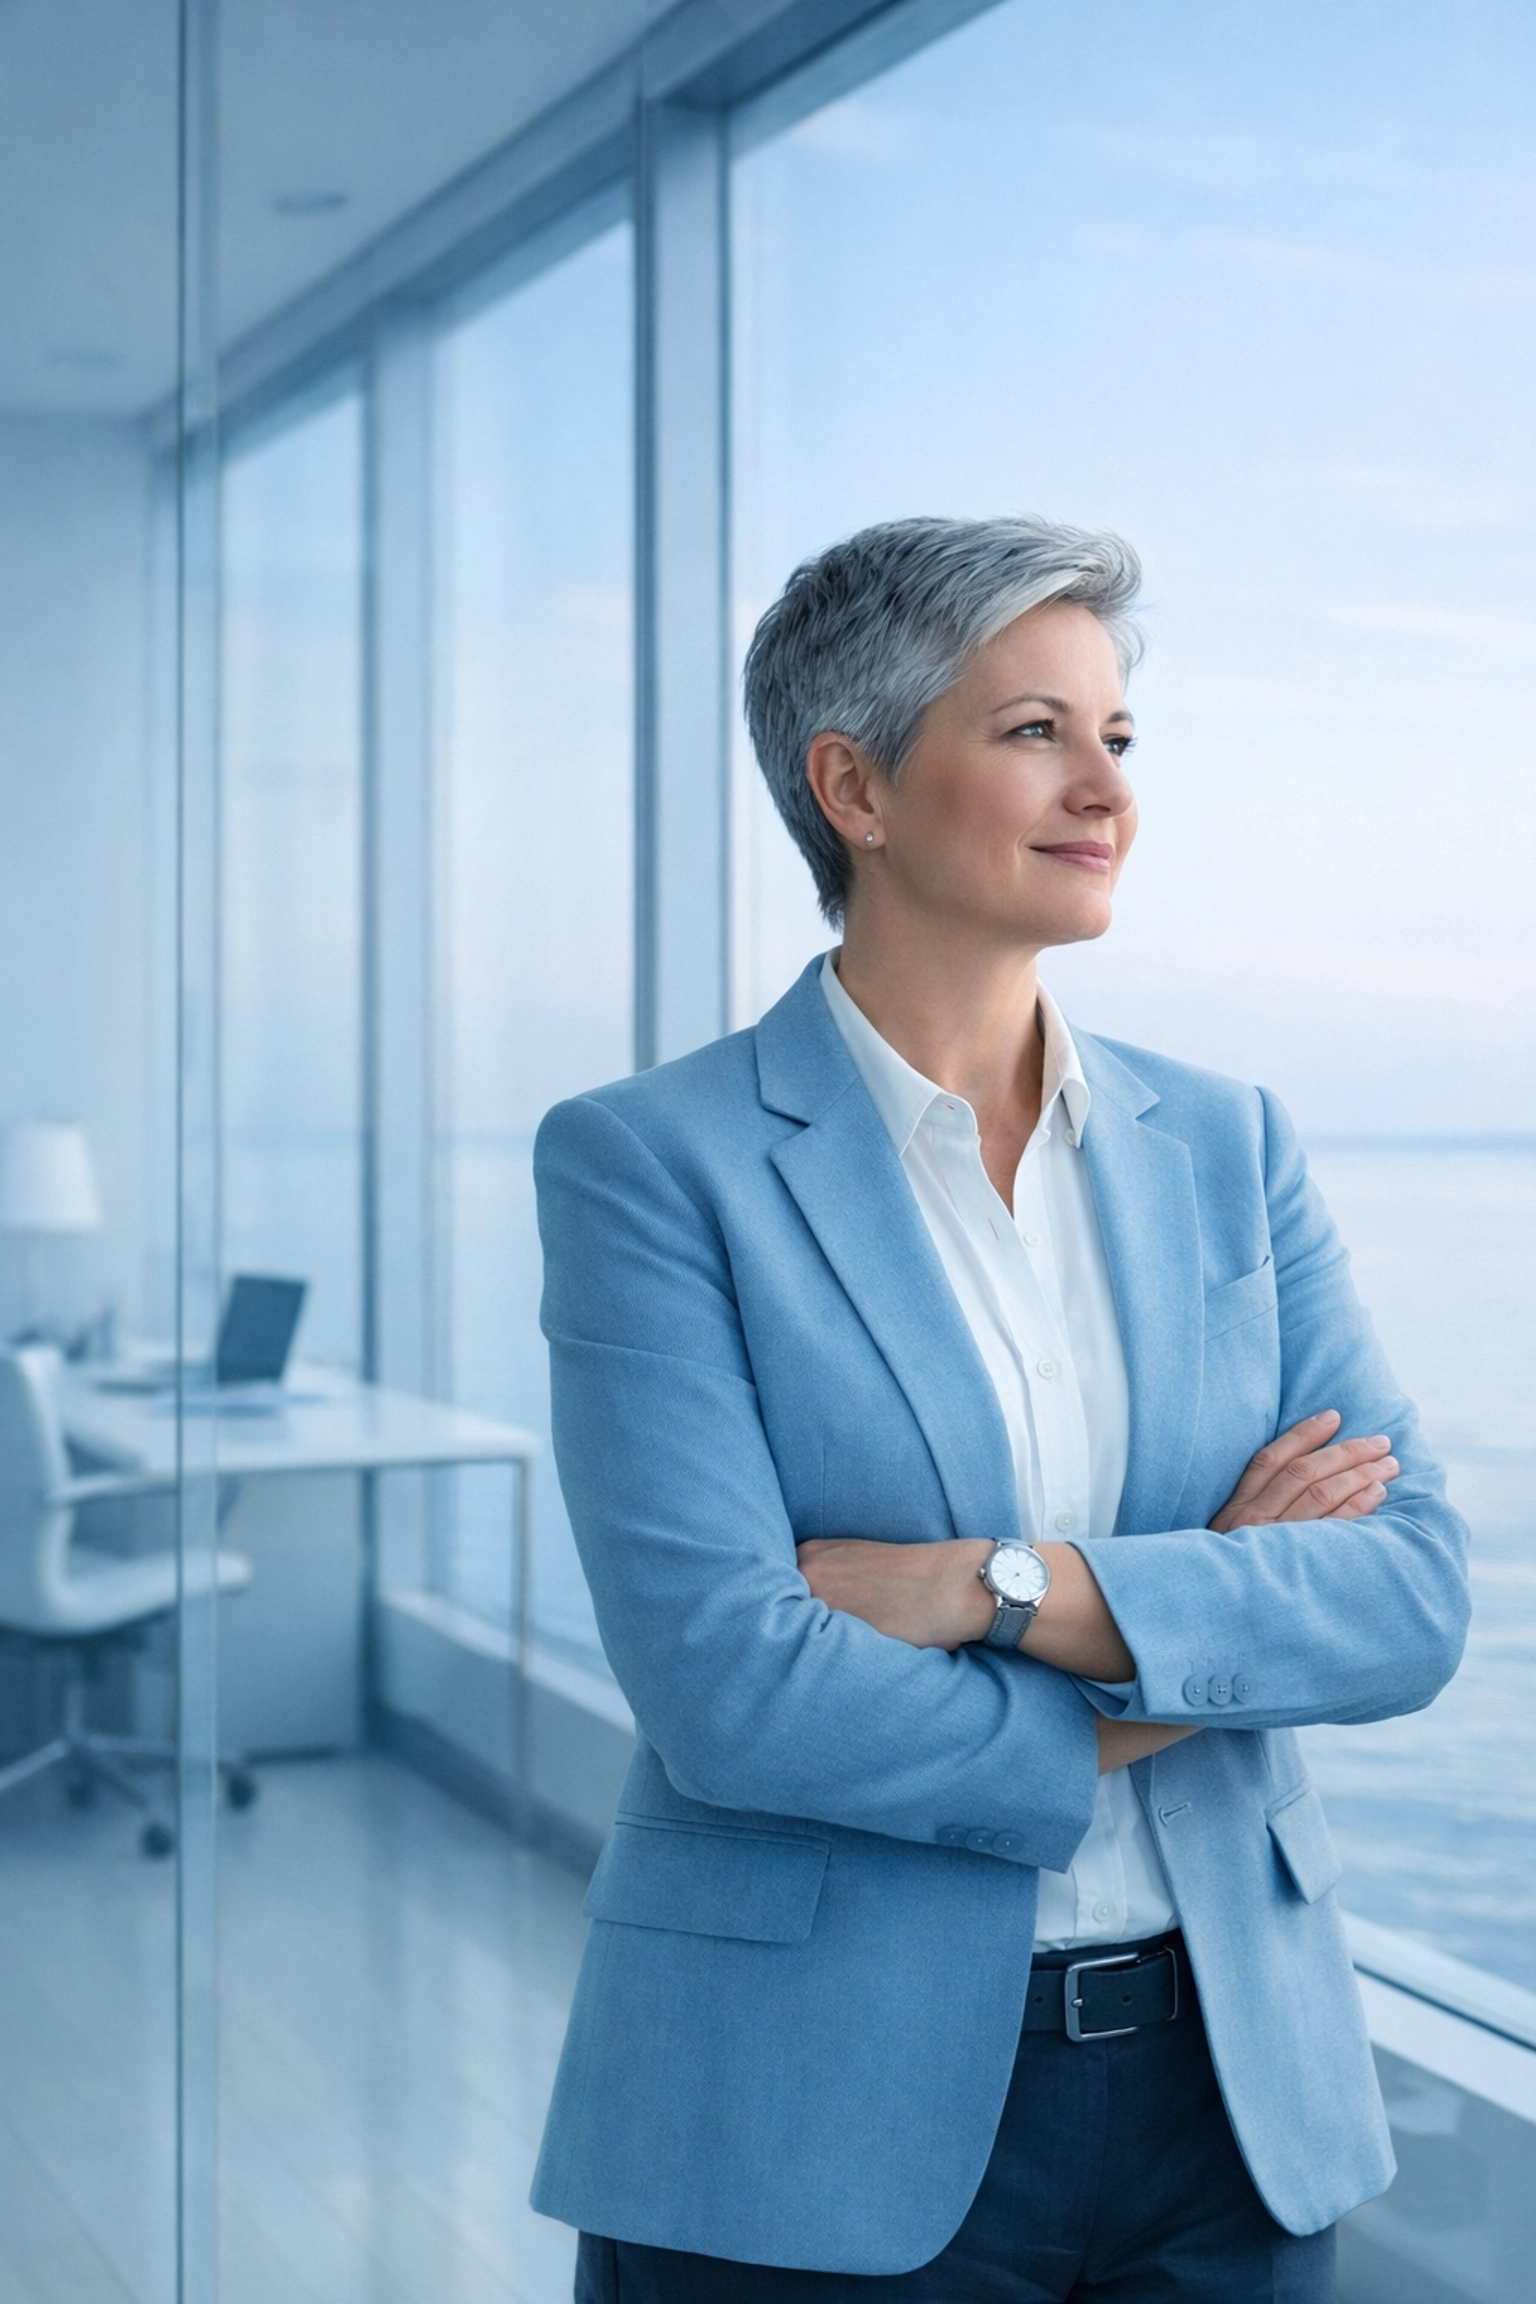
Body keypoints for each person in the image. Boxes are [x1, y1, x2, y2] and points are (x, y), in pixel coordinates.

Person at [531, 517, 1469, 2301]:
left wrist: (994, 1590)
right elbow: (734, 1696)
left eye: (1121, 737)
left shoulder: (1230, 1144)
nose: (1104, 785)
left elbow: (1408, 1597)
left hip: (1234, 2104)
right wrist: (1195, 1644)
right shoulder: (654, 1165)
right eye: (1037, 730)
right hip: (806, 2112)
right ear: (854, 787)